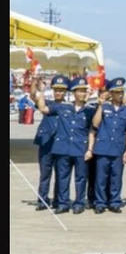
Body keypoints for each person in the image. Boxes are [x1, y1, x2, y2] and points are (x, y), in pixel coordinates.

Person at [35, 76, 96, 214]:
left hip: (81, 149)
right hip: (63, 149)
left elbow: (93, 129)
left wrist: (90, 149)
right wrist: (42, 91)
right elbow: (43, 108)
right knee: (62, 178)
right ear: (73, 93)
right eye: (79, 91)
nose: (82, 93)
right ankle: (63, 203)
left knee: (80, 178)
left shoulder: (90, 110)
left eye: (84, 91)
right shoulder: (63, 107)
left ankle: (79, 203)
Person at [87, 77, 126, 214]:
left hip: (118, 148)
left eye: (121, 92)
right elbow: (95, 124)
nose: (120, 95)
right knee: (101, 178)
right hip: (103, 148)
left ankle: (114, 202)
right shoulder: (104, 107)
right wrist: (100, 106)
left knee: (116, 178)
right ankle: (100, 203)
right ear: (111, 94)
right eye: (117, 92)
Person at [33, 74, 68, 210]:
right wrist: (39, 88)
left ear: (65, 92)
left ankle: (58, 200)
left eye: (61, 90)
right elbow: (35, 99)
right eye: (56, 90)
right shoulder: (48, 103)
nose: (58, 92)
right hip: (46, 143)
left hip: (61, 144)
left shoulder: (68, 106)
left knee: (61, 174)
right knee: (45, 174)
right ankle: (42, 199)